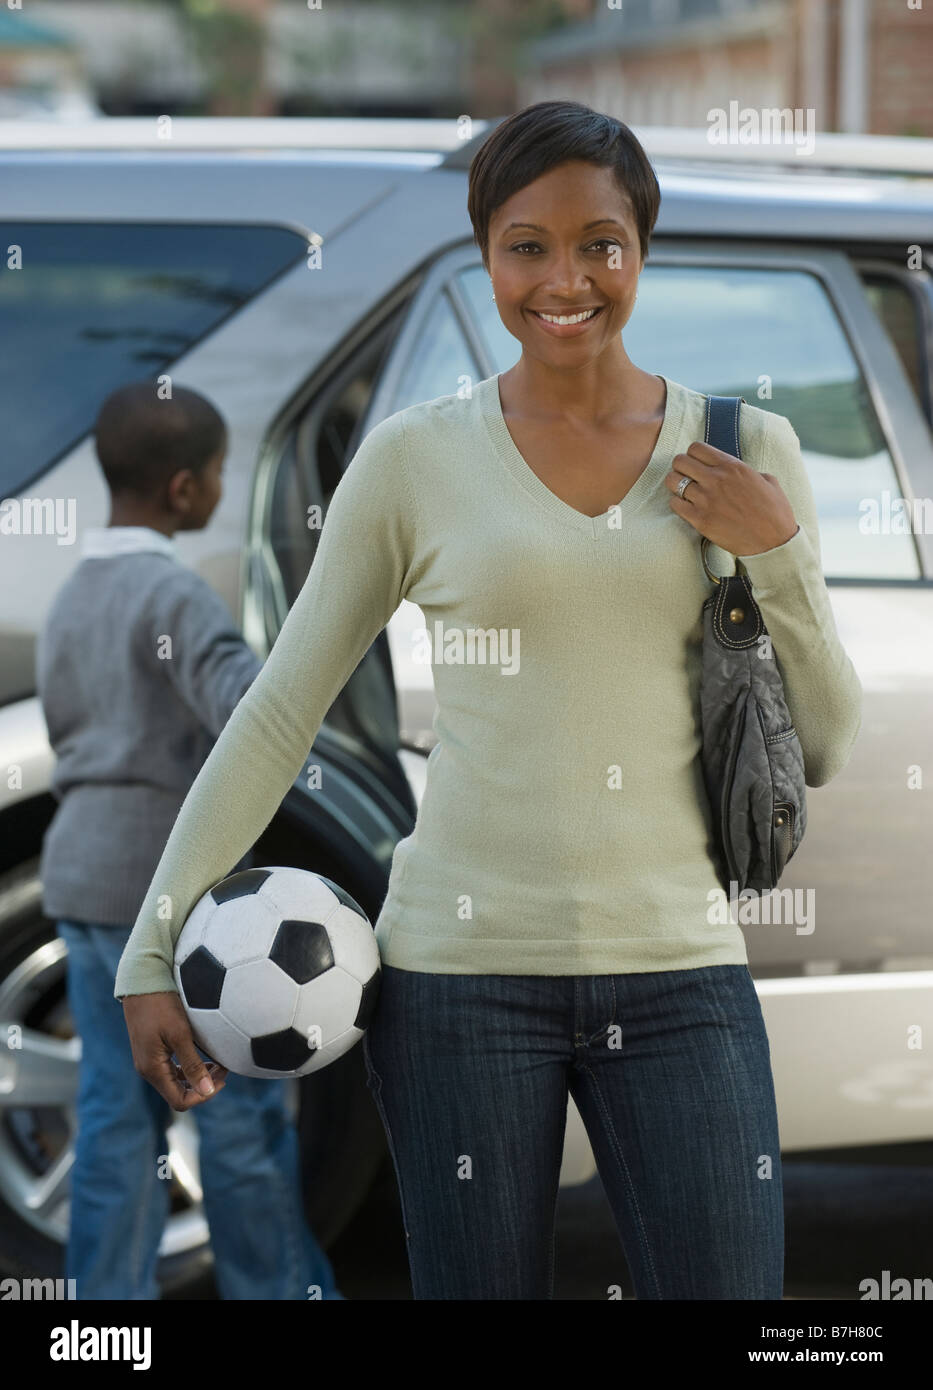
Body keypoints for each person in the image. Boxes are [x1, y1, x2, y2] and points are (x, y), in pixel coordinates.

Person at [113, 102, 863, 1300]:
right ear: (484, 251)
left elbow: (822, 743)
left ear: (642, 249)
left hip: (681, 978)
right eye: (529, 245)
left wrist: (772, 553)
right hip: (456, 989)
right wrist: (154, 945)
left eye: (600, 243)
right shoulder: (417, 459)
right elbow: (278, 711)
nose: (565, 279)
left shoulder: (745, 450)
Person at [36, 380, 341, 1301]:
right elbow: (259, 717)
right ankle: (278, 1294)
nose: (218, 488)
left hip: (81, 876)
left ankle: (103, 1319)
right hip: (163, 898)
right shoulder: (175, 597)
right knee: (237, 1116)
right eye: (215, 473)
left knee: (114, 1120)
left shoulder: (71, 595)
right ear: (181, 489)